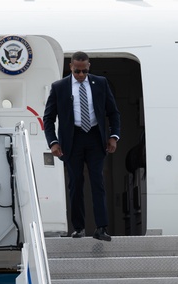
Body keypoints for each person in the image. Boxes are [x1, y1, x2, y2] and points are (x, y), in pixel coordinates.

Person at [43, 50, 121, 242]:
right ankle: (78, 228)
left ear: (89, 67)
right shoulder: (59, 87)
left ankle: (101, 228)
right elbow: (49, 118)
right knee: (75, 184)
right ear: (71, 67)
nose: (81, 75)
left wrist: (114, 136)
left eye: (84, 71)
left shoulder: (100, 83)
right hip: (72, 139)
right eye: (77, 71)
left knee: (98, 182)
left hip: (95, 138)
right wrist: (53, 142)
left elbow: (113, 113)